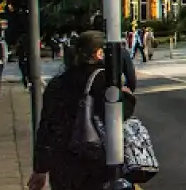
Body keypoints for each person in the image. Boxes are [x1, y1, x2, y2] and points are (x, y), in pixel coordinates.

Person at [28, 31, 136, 190]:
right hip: (97, 163)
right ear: (99, 53)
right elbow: (121, 114)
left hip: (63, 165)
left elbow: (46, 127)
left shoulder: (57, 83)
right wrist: (127, 96)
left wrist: (40, 168)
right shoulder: (105, 82)